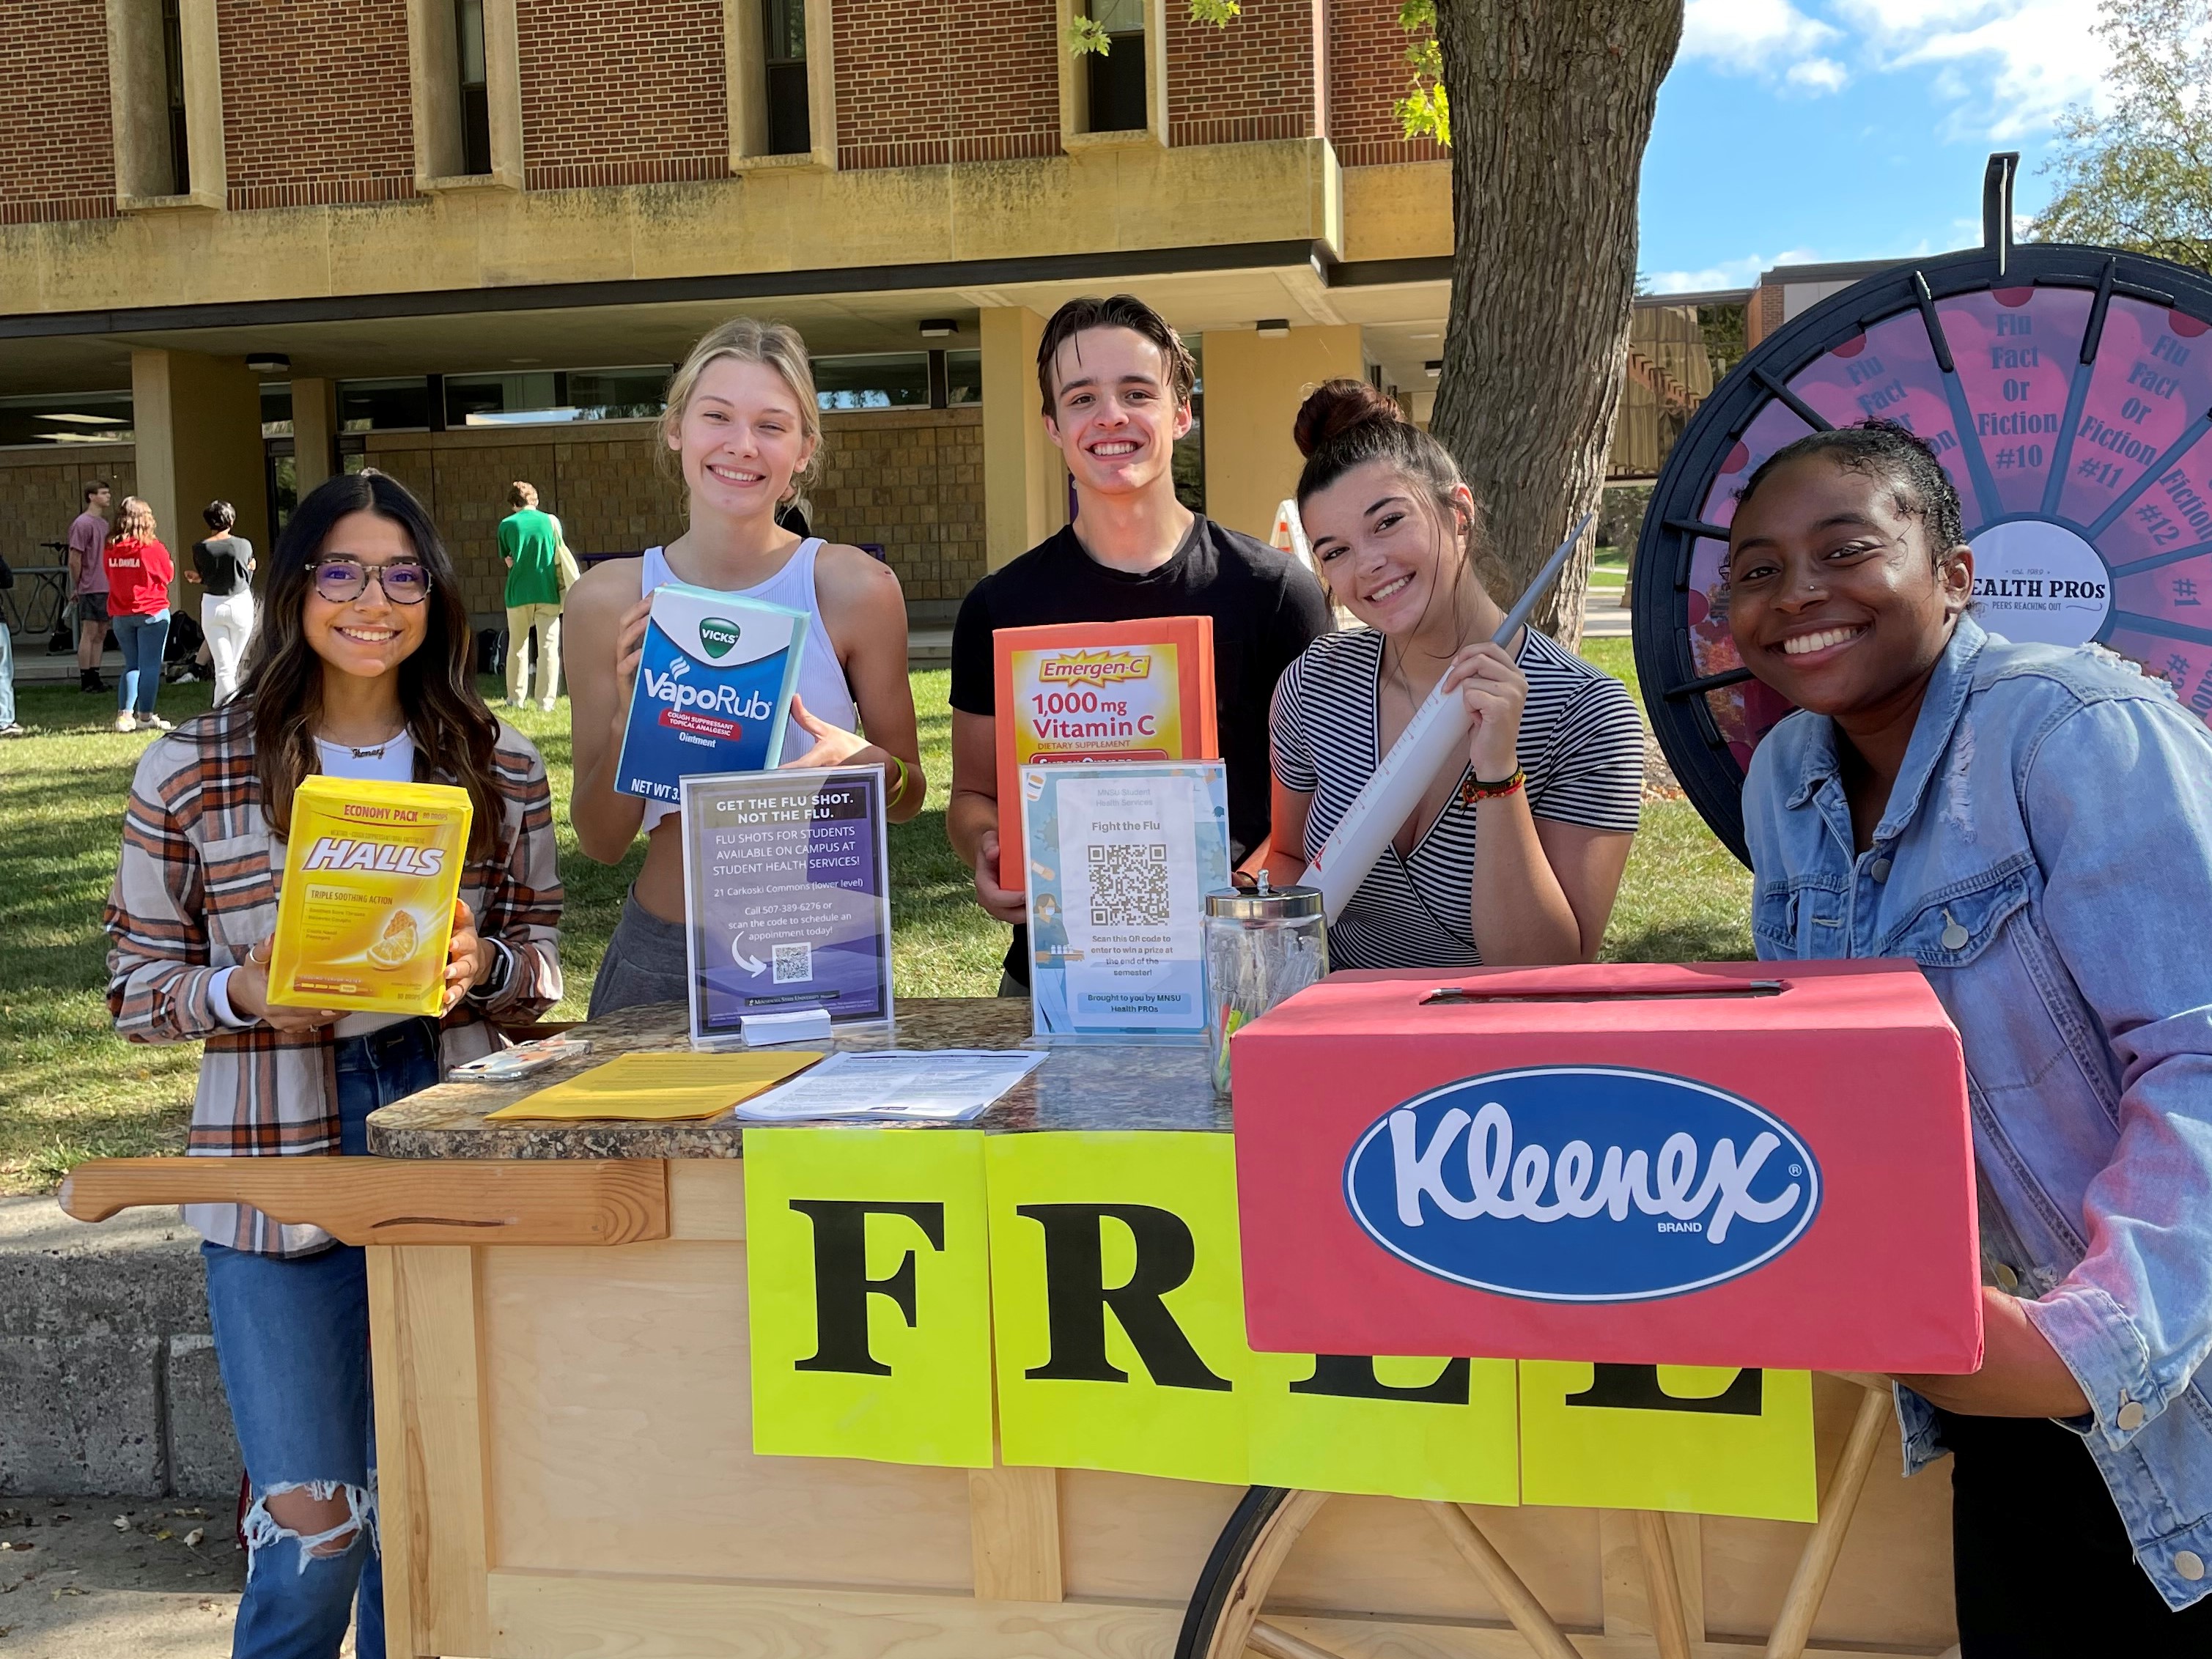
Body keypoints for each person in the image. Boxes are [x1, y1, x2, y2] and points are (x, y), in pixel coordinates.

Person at [1724, 419, 2212, 1653]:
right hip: (1992, 1383)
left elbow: (2199, 1051)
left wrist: (2079, 1338)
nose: (1797, 595)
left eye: (1844, 549)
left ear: (1952, 574)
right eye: (1755, 568)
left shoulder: (2072, 727)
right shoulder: (1785, 777)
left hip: (2172, 1378)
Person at [105, 470, 564, 1659]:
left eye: (404, 573)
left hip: (450, 1128)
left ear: (436, 593)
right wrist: (239, 987)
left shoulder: (495, 758)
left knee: (433, 1533)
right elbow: (133, 987)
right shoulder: (190, 767)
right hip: (269, 1158)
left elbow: (548, 969)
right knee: (316, 1537)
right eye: (345, 570)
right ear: (298, 583)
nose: (375, 598)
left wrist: (488, 964)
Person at [947, 295, 1333, 994]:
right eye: (1082, 397)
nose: (1110, 417)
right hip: (1052, 981)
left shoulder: (1275, 594)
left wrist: (1237, 889)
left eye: (1136, 393)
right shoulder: (1000, 608)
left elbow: (1326, 804)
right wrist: (987, 848)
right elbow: (973, 793)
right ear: (1052, 427)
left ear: (1181, 413)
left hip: (1237, 973)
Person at [566, 316, 926, 1015]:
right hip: (663, 959)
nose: (741, 445)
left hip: (818, 950)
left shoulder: (853, 589)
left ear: (804, 450)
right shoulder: (606, 600)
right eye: (717, 417)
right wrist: (623, 721)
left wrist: (866, 763)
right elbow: (602, 843)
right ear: (676, 429)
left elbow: (909, 795)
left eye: (771, 425)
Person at [1264, 381, 1643, 967]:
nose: (1367, 565)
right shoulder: (1312, 685)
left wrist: (1497, 771)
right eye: (1334, 551)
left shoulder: (1586, 712)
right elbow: (1288, 858)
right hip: (1331, 1028)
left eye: (1387, 522)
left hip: (1491, 1046)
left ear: (1458, 512)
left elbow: (1546, 972)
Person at [103, 496, 174, 734]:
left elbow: (109, 575)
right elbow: (167, 575)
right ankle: (145, 715)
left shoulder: (111, 547)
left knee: (131, 664)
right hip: (152, 611)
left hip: (121, 613)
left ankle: (124, 716)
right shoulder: (152, 548)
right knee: (151, 666)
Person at [498, 481, 564, 711]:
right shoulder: (551, 522)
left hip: (518, 592)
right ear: (534, 500)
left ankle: (516, 699)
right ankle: (545, 702)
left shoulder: (507, 524)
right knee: (548, 648)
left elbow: (508, 559)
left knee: (518, 645)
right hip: (547, 590)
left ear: (514, 503)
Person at [188, 498, 256, 706]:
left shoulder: (200, 548)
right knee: (232, 665)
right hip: (240, 602)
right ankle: (227, 708)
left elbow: (207, 576)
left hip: (213, 605)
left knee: (224, 667)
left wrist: (197, 578)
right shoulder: (244, 545)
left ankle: (221, 707)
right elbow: (247, 571)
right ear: (231, 520)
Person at [67, 480, 111, 693]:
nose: (107, 497)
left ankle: (96, 674)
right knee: (90, 630)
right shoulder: (82, 524)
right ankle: (86, 677)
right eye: (103, 493)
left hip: (105, 584)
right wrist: (79, 584)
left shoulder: (103, 524)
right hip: (90, 585)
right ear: (91, 497)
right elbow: (75, 558)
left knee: (102, 631)